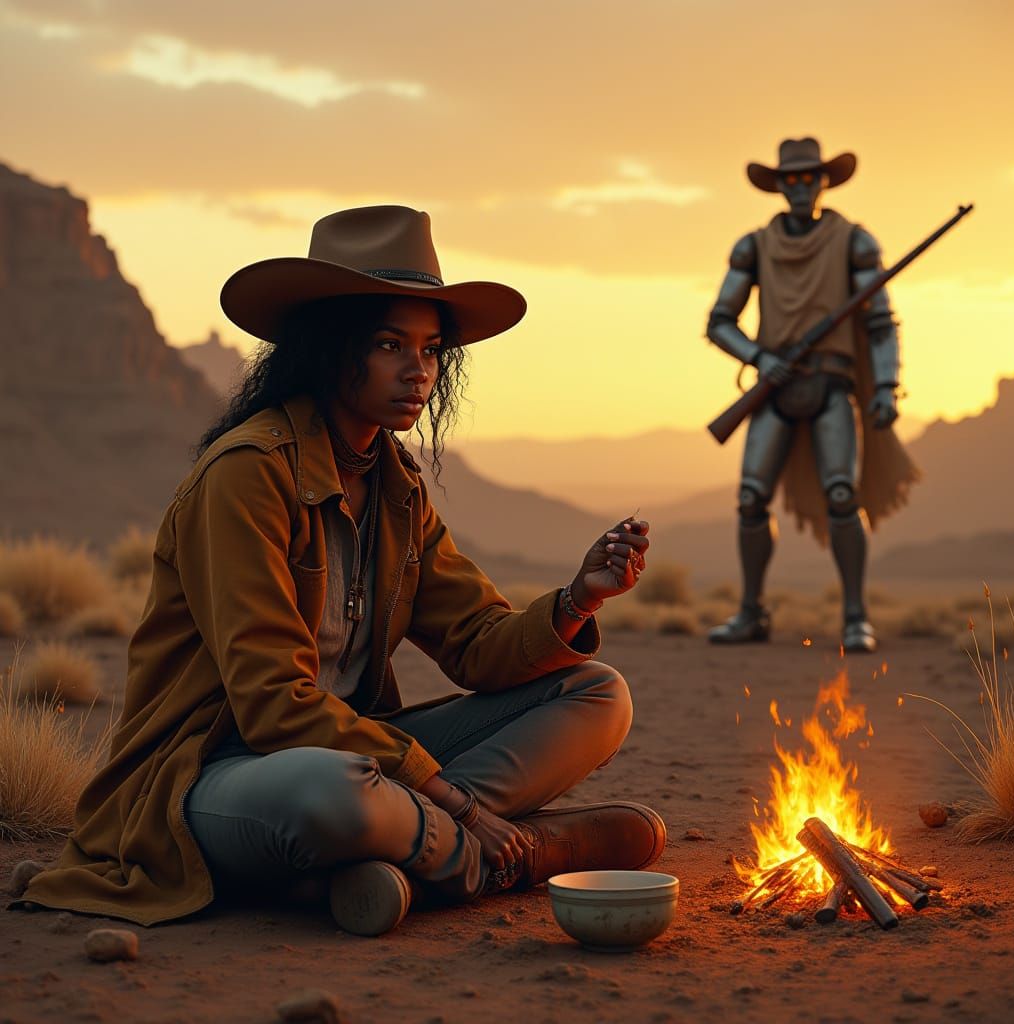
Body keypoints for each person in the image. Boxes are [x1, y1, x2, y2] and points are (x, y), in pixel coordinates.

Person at [18, 206, 665, 936]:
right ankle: (518, 855)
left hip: (361, 757)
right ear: (329, 349)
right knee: (335, 794)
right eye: (391, 344)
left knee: (596, 692)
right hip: (213, 774)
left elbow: (477, 643)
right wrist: (458, 805)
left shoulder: (396, 485)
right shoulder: (247, 475)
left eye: (430, 347)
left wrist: (579, 600)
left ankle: (386, 862)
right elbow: (273, 706)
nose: (419, 369)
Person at [705, 138, 920, 653]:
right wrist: (760, 358)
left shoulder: (853, 242)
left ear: (825, 181)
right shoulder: (754, 246)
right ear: (779, 185)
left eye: (810, 178)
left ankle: (854, 616)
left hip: (832, 384)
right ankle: (751, 613)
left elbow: (880, 323)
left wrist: (887, 386)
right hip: (775, 386)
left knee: (843, 496)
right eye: (792, 179)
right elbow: (720, 322)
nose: (801, 187)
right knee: (751, 499)